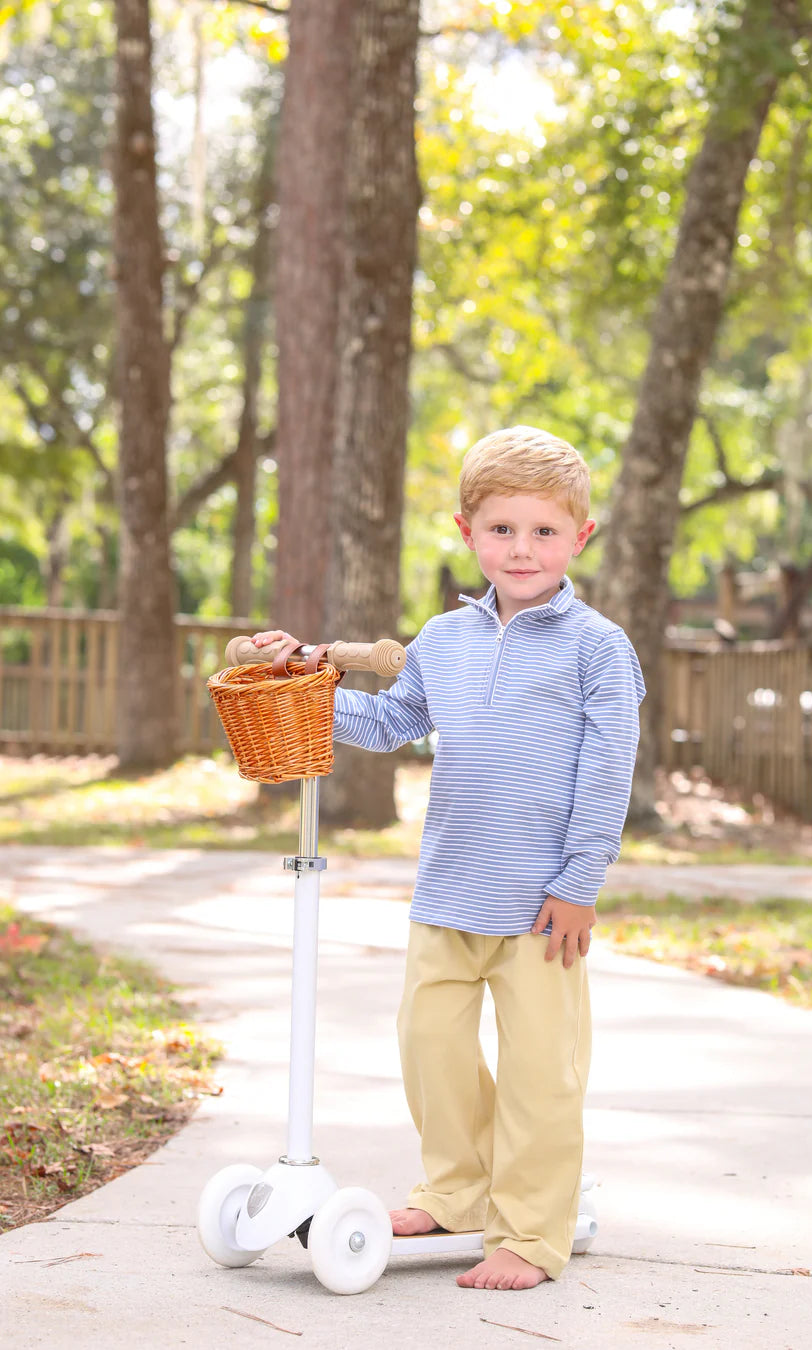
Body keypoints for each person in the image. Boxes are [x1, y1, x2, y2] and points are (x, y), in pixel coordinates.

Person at [252, 425, 645, 1291]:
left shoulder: (598, 649)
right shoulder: (444, 638)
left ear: (580, 537)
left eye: (545, 531)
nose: (522, 548)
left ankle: (532, 1233)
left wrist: (580, 885)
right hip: (449, 890)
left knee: (542, 1074)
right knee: (429, 1046)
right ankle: (459, 1192)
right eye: (503, 529)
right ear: (467, 532)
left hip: (543, 906)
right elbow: (392, 722)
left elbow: (608, 771)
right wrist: (306, 694)